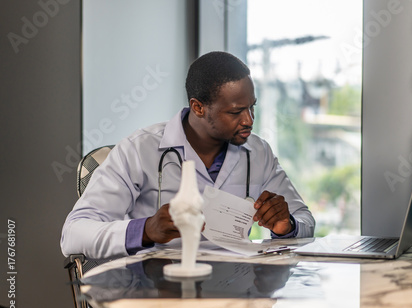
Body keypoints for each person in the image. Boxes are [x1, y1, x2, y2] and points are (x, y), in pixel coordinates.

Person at [61, 51, 315, 259]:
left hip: (237, 291)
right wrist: (146, 230)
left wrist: (287, 225)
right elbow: (73, 233)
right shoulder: (140, 149)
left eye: (252, 107)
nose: (249, 120)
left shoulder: (258, 152)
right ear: (198, 107)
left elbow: (305, 221)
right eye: (236, 112)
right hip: (159, 289)